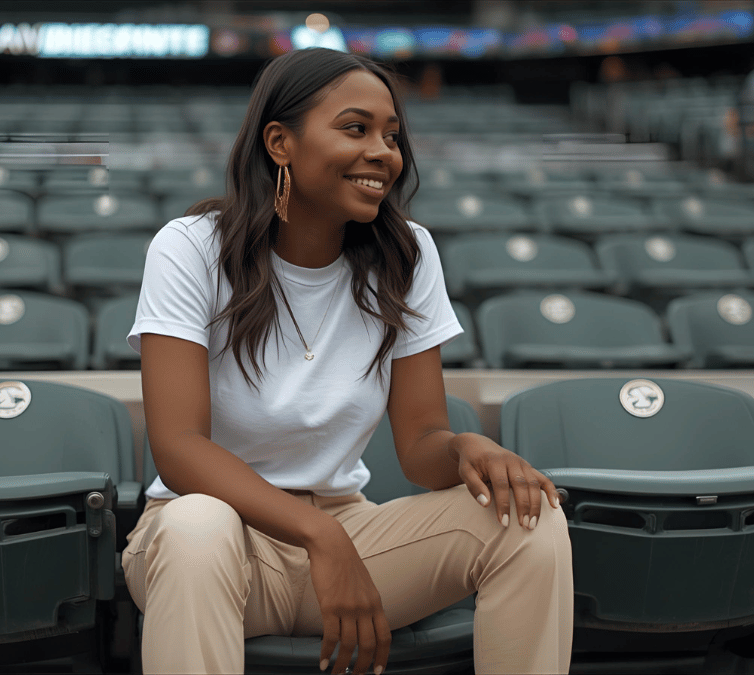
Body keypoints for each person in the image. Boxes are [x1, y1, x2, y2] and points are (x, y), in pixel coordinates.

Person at [122, 48, 573, 675]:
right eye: (355, 129)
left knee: (527, 518)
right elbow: (178, 447)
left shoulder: (407, 254)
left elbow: (419, 443)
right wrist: (319, 538)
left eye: (392, 136)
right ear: (280, 142)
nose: (384, 153)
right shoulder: (192, 247)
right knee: (198, 524)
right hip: (213, 545)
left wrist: (466, 447)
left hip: (347, 536)